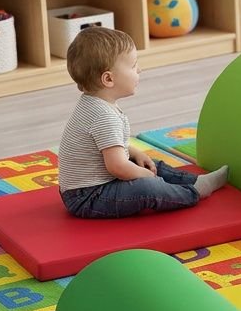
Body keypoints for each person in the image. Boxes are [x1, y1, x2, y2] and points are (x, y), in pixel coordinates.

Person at [57, 26, 227, 219]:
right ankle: (193, 192)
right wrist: (146, 177)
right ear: (108, 79)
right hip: (88, 197)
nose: (139, 69)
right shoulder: (103, 116)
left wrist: (136, 153)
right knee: (147, 187)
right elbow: (117, 167)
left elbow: (106, 145)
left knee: (149, 163)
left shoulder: (94, 103)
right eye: (133, 66)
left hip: (88, 188)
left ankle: (194, 181)